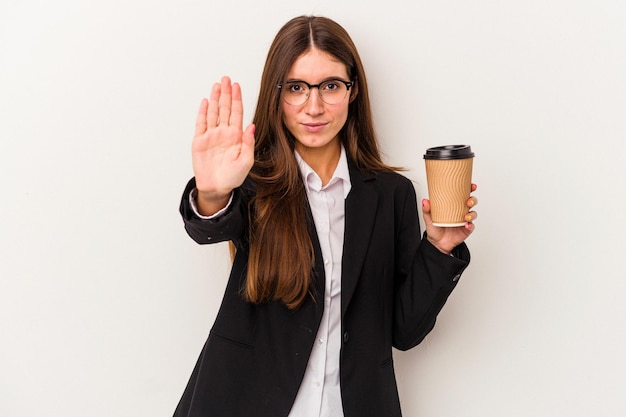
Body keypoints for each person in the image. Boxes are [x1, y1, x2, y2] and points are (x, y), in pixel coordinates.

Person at [175, 15, 478, 417]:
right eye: (296, 88)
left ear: (353, 92)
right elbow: (210, 226)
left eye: (330, 86)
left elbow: (404, 331)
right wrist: (212, 193)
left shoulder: (391, 195)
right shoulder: (252, 182)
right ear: (276, 93)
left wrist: (439, 248)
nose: (313, 106)